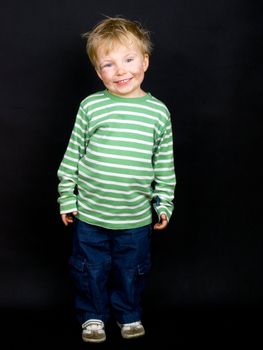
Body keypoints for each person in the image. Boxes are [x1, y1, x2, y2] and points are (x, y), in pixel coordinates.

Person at [57, 15, 176, 343]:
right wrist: (67, 197)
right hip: (91, 214)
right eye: (108, 64)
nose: (120, 71)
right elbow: (72, 156)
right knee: (89, 270)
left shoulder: (158, 112)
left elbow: (164, 165)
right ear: (98, 71)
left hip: (135, 218)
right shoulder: (91, 107)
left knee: (130, 272)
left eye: (128, 59)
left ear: (145, 61)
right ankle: (92, 315)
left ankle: (128, 314)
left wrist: (163, 202)